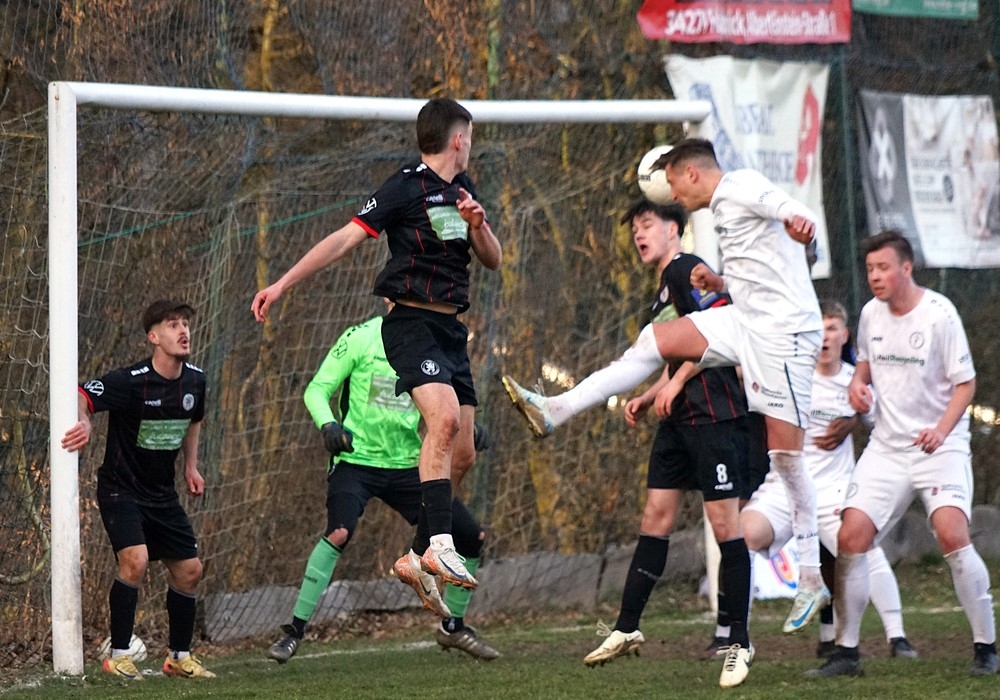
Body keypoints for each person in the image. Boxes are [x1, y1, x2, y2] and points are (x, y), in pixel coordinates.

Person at [504, 137, 828, 643]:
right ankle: (555, 408)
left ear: (691, 174)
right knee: (652, 341)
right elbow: (762, 271)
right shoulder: (719, 210)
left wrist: (798, 222)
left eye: (673, 183)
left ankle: (811, 577)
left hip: (786, 335)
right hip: (747, 321)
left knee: (786, 459)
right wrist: (721, 284)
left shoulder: (741, 185)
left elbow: (788, 211)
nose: (672, 194)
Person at [251, 98, 501, 591]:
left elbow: (492, 259)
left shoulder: (464, 190)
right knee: (444, 420)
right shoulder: (404, 186)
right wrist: (281, 284)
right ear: (459, 139)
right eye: (470, 137)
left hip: (452, 332)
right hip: (410, 324)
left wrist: (479, 225)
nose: (471, 145)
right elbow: (343, 239)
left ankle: (416, 556)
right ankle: (441, 546)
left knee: (464, 453)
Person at [507, 199, 755, 688]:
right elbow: (679, 349)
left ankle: (739, 642)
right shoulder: (662, 290)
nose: (639, 234)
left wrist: (675, 383)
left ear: (674, 229)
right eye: (635, 228)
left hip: (715, 416)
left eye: (647, 224)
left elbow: (721, 335)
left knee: (726, 525)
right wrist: (650, 393)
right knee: (655, 518)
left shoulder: (686, 269)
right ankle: (626, 627)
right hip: (678, 419)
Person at [809, 230, 998, 678]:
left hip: (941, 446)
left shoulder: (939, 315)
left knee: (951, 535)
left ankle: (986, 647)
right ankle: (846, 653)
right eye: (870, 269)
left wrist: (941, 430)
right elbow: (865, 369)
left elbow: (966, 384)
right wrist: (858, 386)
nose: (875, 276)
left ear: (906, 268)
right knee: (851, 537)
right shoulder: (870, 314)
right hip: (888, 448)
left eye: (883, 268)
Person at [267, 307, 498, 664]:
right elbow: (317, 389)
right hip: (356, 462)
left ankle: (452, 627)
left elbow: (443, 404)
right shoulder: (360, 337)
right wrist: (329, 425)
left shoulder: (429, 343)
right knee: (340, 532)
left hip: (408, 465)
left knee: (471, 537)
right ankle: (293, 632)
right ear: (392, 294)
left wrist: (469, 431)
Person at [741, 300, 917, 660]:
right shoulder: (791, 376)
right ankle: (736, 636)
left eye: (832, 328)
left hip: (833, 491)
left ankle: (897, 636)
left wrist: (854, 421)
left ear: (844, 334)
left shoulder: (854, 382)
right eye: (818, 329)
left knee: (862, 549)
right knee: (741, 536)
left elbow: (883, 426)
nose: (824, 337)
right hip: (785, 489)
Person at [60, 300, 214, 680]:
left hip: (161, 493)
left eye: (185, 324)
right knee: (135, 560)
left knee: (190, 570)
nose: (183, 331)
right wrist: (84, 420)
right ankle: (118, 655)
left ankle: (178, 658)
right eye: (173, 325)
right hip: (121, 488)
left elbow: (194, 419)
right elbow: (83, 393)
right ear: (153, 337)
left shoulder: (196, 380)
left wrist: (191, 466)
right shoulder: (131, 381)